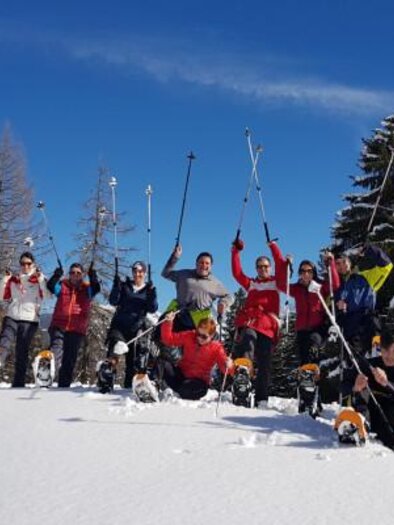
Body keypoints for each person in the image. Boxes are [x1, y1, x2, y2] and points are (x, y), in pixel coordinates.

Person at [231, 237, 286, 406]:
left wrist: (273, 246)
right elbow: (237, 273)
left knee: (265, 361)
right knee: (248, 340)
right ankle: (243, 385)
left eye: (265, 266)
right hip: (251, 322)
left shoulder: (276, 282)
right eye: (260, 266)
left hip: (268, 326)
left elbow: (282, 265)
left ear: (269, 268)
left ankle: (261, 399)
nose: (263, 269)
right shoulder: (252, 284)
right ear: (256, 268)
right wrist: (235, 252)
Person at [278, 253, 339, 366]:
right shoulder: (296, 288)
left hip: (318, 327)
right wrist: (286, 266)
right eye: (303, 271)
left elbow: (334, 284)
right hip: (301, 329)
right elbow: (281, 285)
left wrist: (331, 263)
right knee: (304, 357)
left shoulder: (319, 286)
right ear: (299, 273)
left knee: (313, 345)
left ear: (313, 272)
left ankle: (314, 372)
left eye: (309, 271)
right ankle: (306, 378)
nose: (306, 273)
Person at [105, 260, 158, 389]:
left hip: (137, 328)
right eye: (135, 271)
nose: (137, 274)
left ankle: (130, 387)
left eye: (140, 271)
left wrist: (152, 294)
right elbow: (113, 301)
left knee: (134, 359)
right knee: (114, 352)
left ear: (144, 273)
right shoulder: (124, 286)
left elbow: (152, 309)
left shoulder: (148, 289)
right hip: (119, 325)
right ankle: (106, 380)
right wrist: (116, 287)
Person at [0, 252, 49, 387]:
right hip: (12, 315)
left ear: (32, 264)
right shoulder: (14, 279)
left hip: (29, 319)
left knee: (22, 352)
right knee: (5, 339)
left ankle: (18, 384)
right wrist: (5, 279)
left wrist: (40, 279)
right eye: (22, 263)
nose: (25, 266)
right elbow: (2, 296)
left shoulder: (38, 279)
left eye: (28, 263)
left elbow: (48, 295)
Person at [47, 262, 100, 387]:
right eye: (72, 272)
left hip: (76, 329)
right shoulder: (63, 286)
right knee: (55, 352)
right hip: (59, 325)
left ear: (82, 275)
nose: (75, 275)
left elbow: (96, 288)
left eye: (78, 273)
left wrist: (93, 276)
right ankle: (46, 377)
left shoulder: (87, 289)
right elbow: (50, 286)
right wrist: (56, 275)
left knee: (69, 361)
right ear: (69, 274)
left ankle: (63, 387)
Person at [160, 311, 233, 400]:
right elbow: (168, 339)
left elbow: (224, 368)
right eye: (198, 334)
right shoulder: (190, 335)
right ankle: (155, 387)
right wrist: (168, 323)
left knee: (189, 389)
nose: (199, 338)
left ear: (212, 335)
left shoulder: (217, 348)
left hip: (198, 382)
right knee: (162, 363)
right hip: (181, 375)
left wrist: (229, 365)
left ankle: (176, 391)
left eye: (204, 336)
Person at [335, 244, 392, 356]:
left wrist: (370, 250)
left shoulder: (365, 277)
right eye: (337, 263)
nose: (342, 266)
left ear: (349, 262)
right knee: (356, 353)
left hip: (368, 318)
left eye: (344, 261)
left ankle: (378, 356)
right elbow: (325, 306)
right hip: (350, 323)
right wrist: (337, 306)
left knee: (376, 333)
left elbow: (387, 266)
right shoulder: (335, 286)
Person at [342, 329, 394, 449]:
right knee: (361, 395)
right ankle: (355, 430)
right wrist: (355, 387)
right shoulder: (369, 365)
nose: (388, 356)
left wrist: (387, 383)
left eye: (393, 351)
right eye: (385, 351)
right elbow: (343, 386)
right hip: (371, 417)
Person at [161, 245, 233, 331]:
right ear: (196, 263)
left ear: (211, 266)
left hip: (200, 320)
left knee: (205, 341)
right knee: (162, 333)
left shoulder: (215, 283)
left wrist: (223, 303)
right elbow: (165, 273)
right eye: (201, 262)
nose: (204, 265)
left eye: (207, 263)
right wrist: (174, 257)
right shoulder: (184, 274)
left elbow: (229, 296)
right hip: (179, 315)